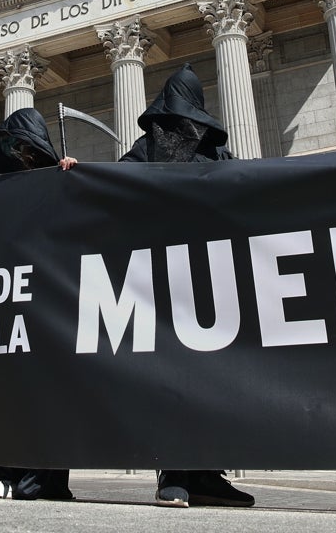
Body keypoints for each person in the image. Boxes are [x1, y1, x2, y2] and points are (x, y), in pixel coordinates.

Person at [119, 64, 254, 509]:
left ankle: (208, 474)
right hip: (160, 282)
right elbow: (107, 190)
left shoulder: (218, 158)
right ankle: (173, 472)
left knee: (216, 381)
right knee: (172, 378)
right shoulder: (143, 152)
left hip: (211, 281)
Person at [0, 107, 75, 500]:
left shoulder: (59, 182)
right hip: (0, 306)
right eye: (12, 148)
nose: (19, 156)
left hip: (44, 307)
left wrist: (78, 182)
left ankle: (42, 480)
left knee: (47, 393)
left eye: (26, 149)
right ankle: (3, 474)